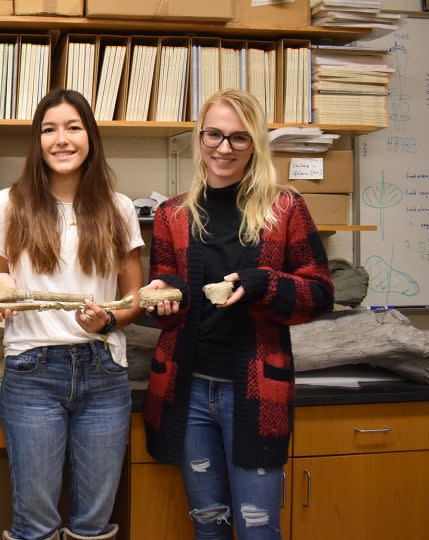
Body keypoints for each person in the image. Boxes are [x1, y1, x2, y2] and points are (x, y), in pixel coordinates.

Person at [142, 89, 334, 539]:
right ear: (199, 137)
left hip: (255, 394)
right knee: (209, 528)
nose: (223, 148)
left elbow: (321, 292)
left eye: (238, 139)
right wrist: (164, 298)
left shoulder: (284, 208)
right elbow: (168, 297)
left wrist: (264, 283)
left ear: (255, 145)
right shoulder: (173, 214)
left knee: (257, 529)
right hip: (187, 393)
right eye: (214, 135)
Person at [0, 89, 144, 540]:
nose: (62, 139)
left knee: (93, 522)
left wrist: (107, 321)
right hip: (32, 370)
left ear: (90, 136)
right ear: (38, 141)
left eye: (73, 127)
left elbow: (132, 299)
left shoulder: (119, 207)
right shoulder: (8, 203)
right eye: (50, 129)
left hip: (104, 371)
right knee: (35, 522)